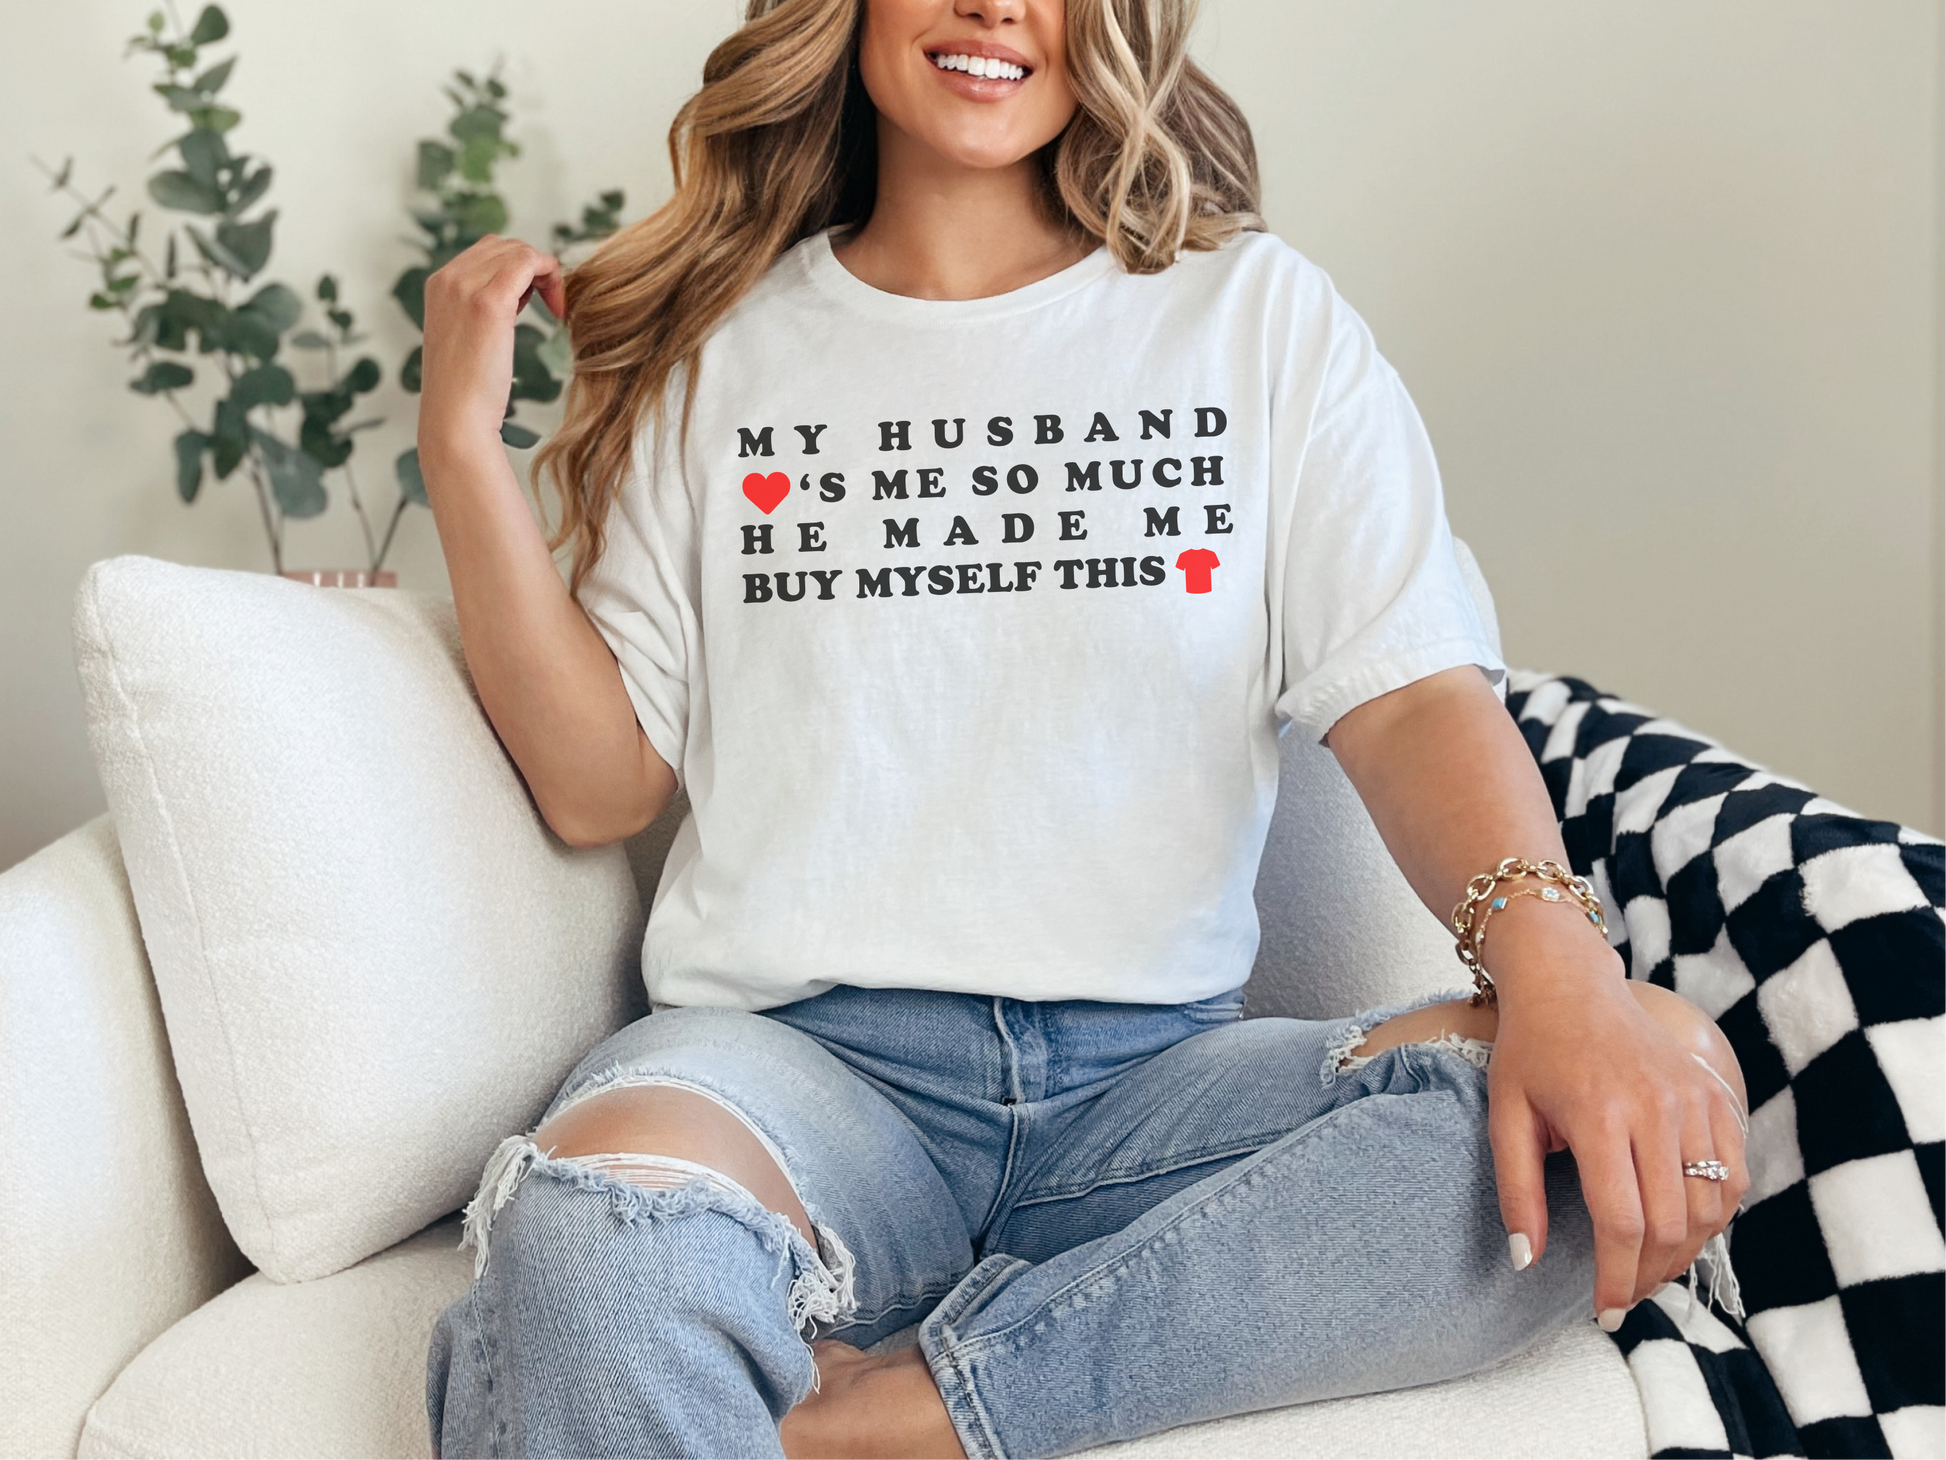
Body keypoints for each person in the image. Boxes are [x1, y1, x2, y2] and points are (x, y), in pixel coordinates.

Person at [416, 1, 1751, 1456]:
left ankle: (891, 1416)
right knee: (598, 1241)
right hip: (793, 1075)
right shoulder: (723, 349)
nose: (999, 7)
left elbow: (1412, 696)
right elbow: (598, 785)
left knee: (1656, 1082)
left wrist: (1554, 969)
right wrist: (460, 453)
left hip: (1150, 1098)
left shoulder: (1255, 321)